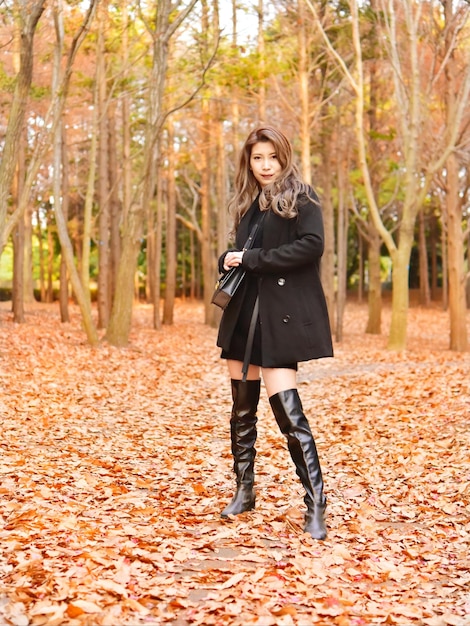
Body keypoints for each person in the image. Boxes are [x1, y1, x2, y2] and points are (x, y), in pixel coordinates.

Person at [216, 126, 333, 541]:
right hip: (243, 316)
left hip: (279, 318)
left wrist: (252, 257)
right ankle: (244, 491)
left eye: (272, 157)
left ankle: (315, 503)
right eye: (257, 158)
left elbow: (311, 246)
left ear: (284, 157)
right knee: (241, 410)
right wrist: (229, 259)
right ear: (249, 162)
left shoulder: (302, 197)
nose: (265, 166)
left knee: (288, 413)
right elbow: (241, 251)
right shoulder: (249, 203)